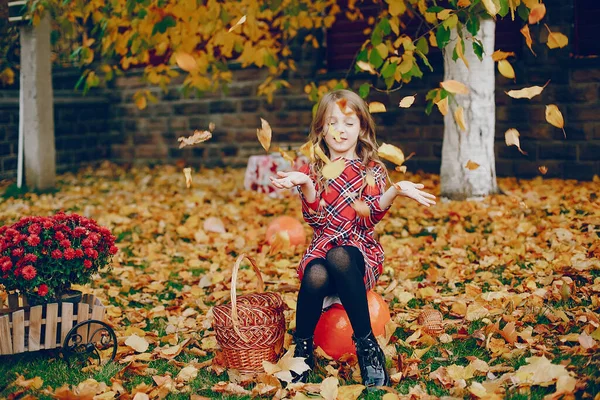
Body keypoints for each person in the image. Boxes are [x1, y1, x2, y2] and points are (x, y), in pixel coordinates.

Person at [270, 89, 436, 386]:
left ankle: (366, 346)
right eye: (332, 122)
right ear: (321, 128)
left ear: (362, 128)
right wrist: (307, 184)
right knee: (316, 271)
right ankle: (303, 352)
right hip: (323, 248)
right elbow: (316, 220)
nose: (341, 130)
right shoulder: (315, 170)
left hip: (357, 254)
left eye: (349, 123)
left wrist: (394, 191)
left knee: (339, 256)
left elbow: (369, 215)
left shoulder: (372, 170)